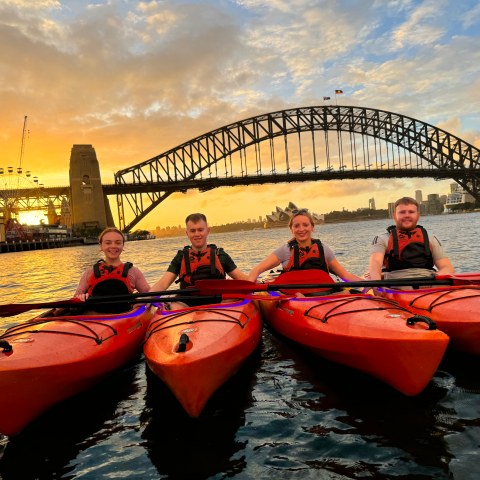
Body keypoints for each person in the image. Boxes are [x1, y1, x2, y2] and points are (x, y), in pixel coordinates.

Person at [150, 213, 248, 307]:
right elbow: (163, 283)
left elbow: (242, 278)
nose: (197, 234)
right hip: (187, 304)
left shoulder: (220, 256)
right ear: (187, 233)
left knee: (232, 299)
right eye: (192, 231)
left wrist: (258, 283)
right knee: (173, 306)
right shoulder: (181, 257)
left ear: (207, 231)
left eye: (200, 230)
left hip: (218, 303)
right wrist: (146, 297)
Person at [247, 209, 362, 284]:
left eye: (305, 225)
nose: (301, 229)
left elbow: (345, 275)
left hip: (323, 297)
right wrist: (251, 286)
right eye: (296, 226)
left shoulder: (324, 250)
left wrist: (371, 284)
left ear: (312, 227)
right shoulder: (285, 251)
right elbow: (256, 270)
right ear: (291, 229)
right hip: (296, 298)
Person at [368, 197, 454, 281]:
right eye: (402, 212)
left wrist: (432, 278)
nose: (407, 215)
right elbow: (375, 265)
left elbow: (447, 268)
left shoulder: (430, 238)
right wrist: (376, 285)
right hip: (395, 284)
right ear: (394, 216)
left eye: (411, 212)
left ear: (418, 216)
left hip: (428, 282)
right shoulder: (382, 239)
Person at [75, 227, 150, 313]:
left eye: (118, 243)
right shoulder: (89, 272)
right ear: (101, 246)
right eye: (108, 243)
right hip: (94, 319)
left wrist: (143, 300)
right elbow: (76, 297)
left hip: (124, 318)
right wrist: (81, 297)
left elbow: (149, 294)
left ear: (123, 245)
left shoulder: (133, 271)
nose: (113, 246)